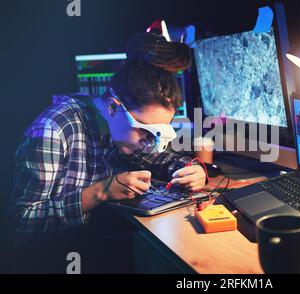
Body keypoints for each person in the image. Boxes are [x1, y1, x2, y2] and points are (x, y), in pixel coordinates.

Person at [8, 32, 206, 273]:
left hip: (94, 245)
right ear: (114, 107)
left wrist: (191, 170)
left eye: (159, 134)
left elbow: (155, 157)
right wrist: (100, 192)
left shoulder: (120, 129)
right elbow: (20, 224)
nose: (150, 144)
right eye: (145, 132)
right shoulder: (53, 130)